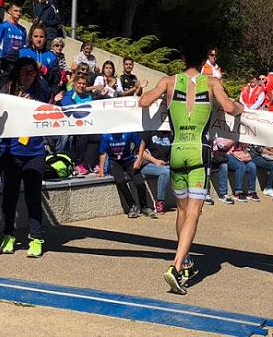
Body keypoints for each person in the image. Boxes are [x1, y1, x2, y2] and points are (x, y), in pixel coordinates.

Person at [140, 44, 244, 295]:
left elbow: (144, 102)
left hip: (176, 151)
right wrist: (241, 107)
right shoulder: (212, 82)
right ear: (205, 61)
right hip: (199, 152)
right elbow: (230, 108)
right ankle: (176, 266)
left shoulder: (169, 81)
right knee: (194, 213)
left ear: (183, 58)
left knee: (182, 210)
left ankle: (185, 261)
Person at [0, 57, 51, 258]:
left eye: (31, 72)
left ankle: (36, 238)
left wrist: (41, 71)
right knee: (9, 197)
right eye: (24, 71)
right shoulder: (7, 92)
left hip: (35, 152)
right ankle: (8, 235)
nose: (28, 76)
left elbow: (49, 97)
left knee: (33, 196)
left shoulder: (41, 91)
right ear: (17, 72)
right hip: (11, 152)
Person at [97, 131, 157, 219]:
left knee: (140, 182)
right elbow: (103, 153)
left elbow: (141, 143)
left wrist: (139, 160)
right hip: (115, 162)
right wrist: (101, 170)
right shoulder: (106, 135)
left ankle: (144, 207)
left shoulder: (128, 132)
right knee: (120, 181)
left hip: (129, 160)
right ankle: (132, 205)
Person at [19, 24, 60, 93]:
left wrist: (44, 70)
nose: (38, 39)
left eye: (41, 37)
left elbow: (56, 79)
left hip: (43, 94)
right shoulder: (22, 53)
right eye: (35, 36)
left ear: (45, 38)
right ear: (31, 38)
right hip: (24, 93)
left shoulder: (52, 56)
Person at [140, 130, 172, 215]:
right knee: (165, 172)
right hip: (147, 164)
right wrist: (155, 161)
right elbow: (140, 151)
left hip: (163, 165)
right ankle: (160, 202)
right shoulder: (148, 132)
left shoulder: (168, 134)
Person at [0, 2, 27, 78]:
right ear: (9, 11)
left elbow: (24, 47)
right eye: (15, 11)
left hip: (17, 62)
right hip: (4, 61)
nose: (18, 13)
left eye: (20, 11)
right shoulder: (3, 26)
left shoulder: (23, 30)